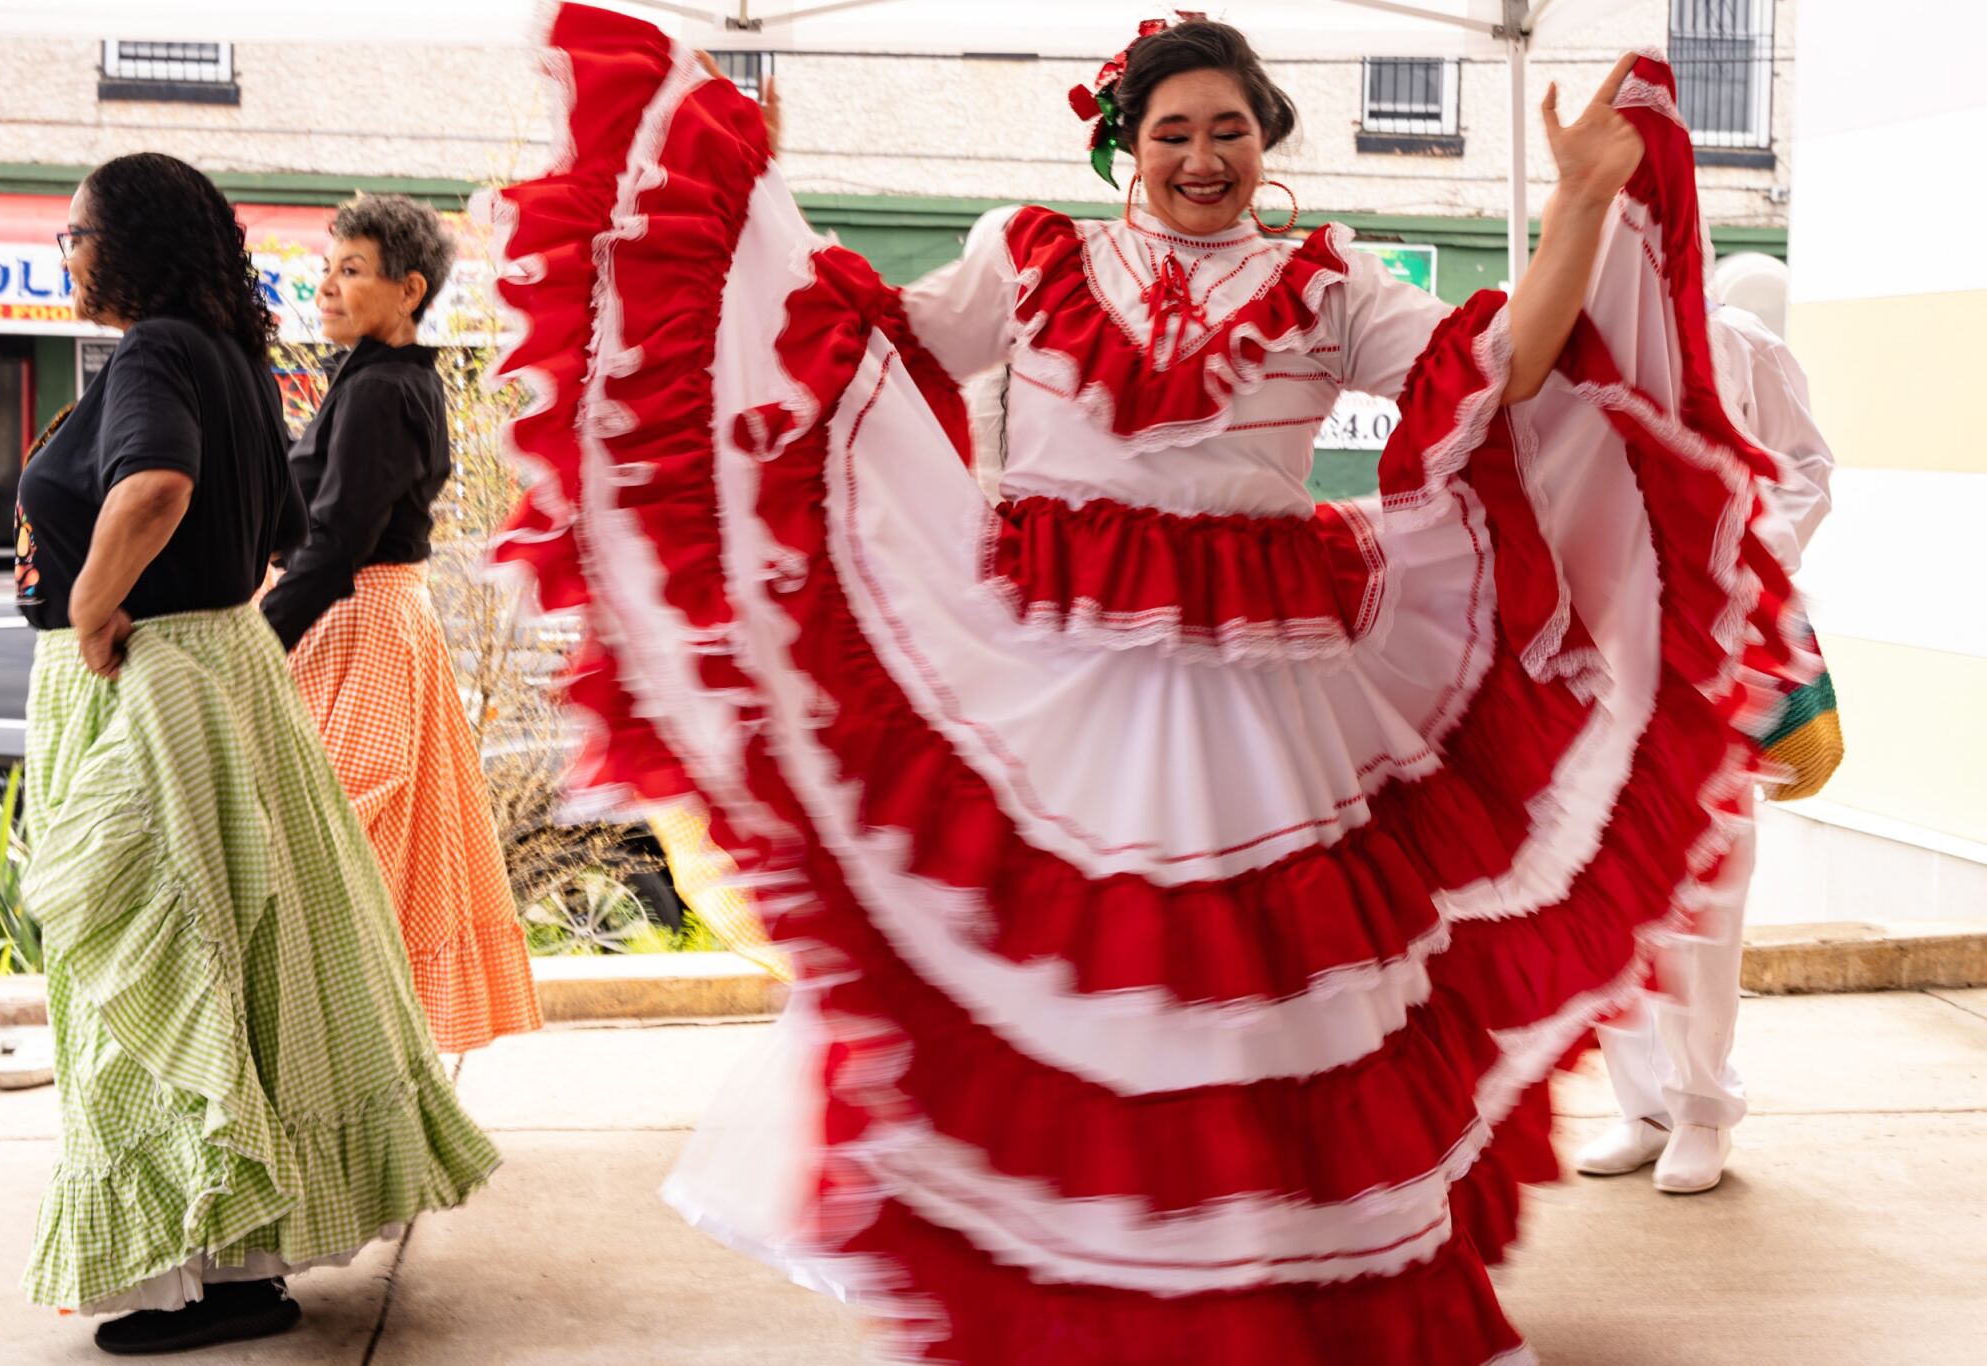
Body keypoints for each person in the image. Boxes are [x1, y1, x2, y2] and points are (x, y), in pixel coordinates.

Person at [489, 10, 1808, 1361]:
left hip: (1272, 702)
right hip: (1055, 690)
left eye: (1228, 129)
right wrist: (736, 242)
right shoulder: (1029, 254)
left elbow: (1502, 370)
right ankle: (1078, 1293)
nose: (1200, 156)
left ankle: (1269, 1288)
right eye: (1171, 130)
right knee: (1062, 980)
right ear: (1125, 143)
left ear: (1267, 140)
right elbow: (876, 353)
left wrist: (1584, 202)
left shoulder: (1330, 284)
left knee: (1275, 998)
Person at [15, 152, 498, 1353]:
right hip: (220, 676)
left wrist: (89, 606)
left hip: (153, 681)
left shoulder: (152, 353)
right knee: (233, 966)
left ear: (125, 241)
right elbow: (282, 524)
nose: (62, 253)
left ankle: (200, 1275)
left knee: (155, 971)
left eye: (73, 233)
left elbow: (155, 488)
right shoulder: (228, 353)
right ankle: (236, 1262)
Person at [261, 193, 543, 1054]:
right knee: (365, 848)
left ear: (409, 288)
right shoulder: (379, 378)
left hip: (363, 623)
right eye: (327, 269)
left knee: (344, 845)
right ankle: (367, 1062)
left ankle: (350, 1060)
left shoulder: (385, 388)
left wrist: (254, 644)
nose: (329, 287)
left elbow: (339, 539)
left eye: (352, 271)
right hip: (372, 620)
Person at [1575, 299, 1836, 1193]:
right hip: (1596, 643)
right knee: (1607, 881)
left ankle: (1701, 1109)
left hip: (1714, 639)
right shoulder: (1569, 327)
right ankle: (1641, 1105)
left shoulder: (1739, 340)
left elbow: (1808, 468)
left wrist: (1732, 558)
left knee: (1709, 875)